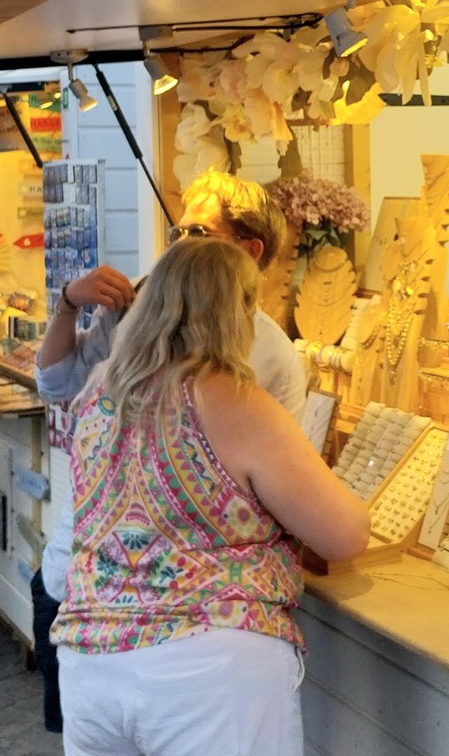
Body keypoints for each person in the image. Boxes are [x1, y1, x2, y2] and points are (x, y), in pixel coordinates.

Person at [53, 239, 369, 756]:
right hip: (207, 669)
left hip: (92, 659)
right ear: (237, 310)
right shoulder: (235, 401)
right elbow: (344, 534)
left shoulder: (98, 391)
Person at [30, 171, 307, 733]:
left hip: (181, 621)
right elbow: (55, 383)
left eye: (197, 231)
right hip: (84, 588)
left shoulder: (270, 356)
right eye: (175, 230)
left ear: (248, 252)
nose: (177, 244)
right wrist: (66, 303)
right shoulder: (135, 308)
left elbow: (284, 494)